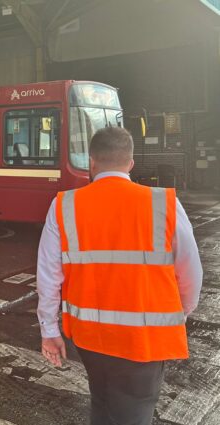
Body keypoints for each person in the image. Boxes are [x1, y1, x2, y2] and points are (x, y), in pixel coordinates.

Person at [37, 127, 203, 425]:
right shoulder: (163, 203)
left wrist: (49, 331)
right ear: (130, 163)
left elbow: (48, 274)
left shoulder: (64, 205)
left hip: (89, 337)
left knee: (101, 401)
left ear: (92, 163)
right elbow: (191, 270)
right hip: (144, 338)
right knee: (135, 411)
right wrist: (182, 311)